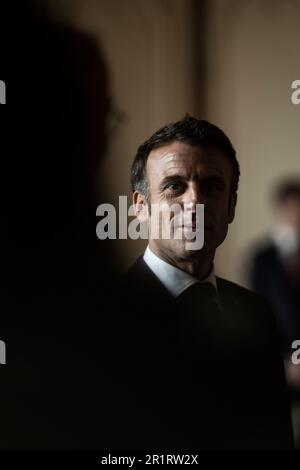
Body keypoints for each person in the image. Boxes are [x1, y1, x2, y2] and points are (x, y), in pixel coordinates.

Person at [117, 116, 294, 449]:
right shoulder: (99, 320)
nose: (195, 202)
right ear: (140, 208)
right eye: (174, 186)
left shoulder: (256, 313)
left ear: (230, 206)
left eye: (211, 186)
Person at [250, 179, 300, 446]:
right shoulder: (261, 257)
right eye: (291, 209)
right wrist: (287, 362)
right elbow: (258, 313)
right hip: (278, 362)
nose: (296, 216)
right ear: (280, 210)